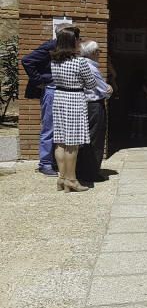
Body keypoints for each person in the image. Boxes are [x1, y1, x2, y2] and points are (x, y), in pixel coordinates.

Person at [21, 23, 80, 176]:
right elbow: (27, 60)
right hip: (51, 90)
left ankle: (53, 161)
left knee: (59, 129)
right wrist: (40, 81)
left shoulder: (65, 49)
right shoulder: (50, 46)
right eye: (74, 34)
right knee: (50, 127)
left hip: (61, 91)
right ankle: (45, 163)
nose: (77, 38)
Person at [50, 29, 97, 192]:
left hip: (59, 97)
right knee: (72, 144)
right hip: (74, 99)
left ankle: (61, 178)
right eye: (78, 38)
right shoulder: (80, 62)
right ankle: (71, 179)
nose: (80, 41)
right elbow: (91, 84)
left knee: (60, 141)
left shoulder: (54, 60)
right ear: (73, 41)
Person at [76, 40, 113, 183]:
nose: (100, 54)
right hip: (93, 105)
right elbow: (104, 89)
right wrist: (109, 89)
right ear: (93, 53)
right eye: (99, 51)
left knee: (88, 137)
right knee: (95, 138)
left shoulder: (81, 63)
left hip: (86, 104)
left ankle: (85, 169)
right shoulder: (90, 67)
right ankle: (91, 172)